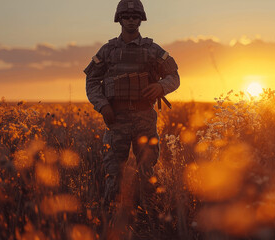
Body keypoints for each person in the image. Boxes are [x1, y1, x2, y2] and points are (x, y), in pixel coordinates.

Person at [84, 0, 180, 236]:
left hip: (144, 118)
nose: (131, 20)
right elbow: (91, 81)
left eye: (135, 16)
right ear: (119, 19)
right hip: (116, 119)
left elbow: (174, 76)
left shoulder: (152, 49)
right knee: (113, 173)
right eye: (126, 16)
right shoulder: (107, 51)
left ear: (141, 19)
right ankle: (109, 224)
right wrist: (103, 105)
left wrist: (160, 87)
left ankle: (149, 223)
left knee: (147, 171)